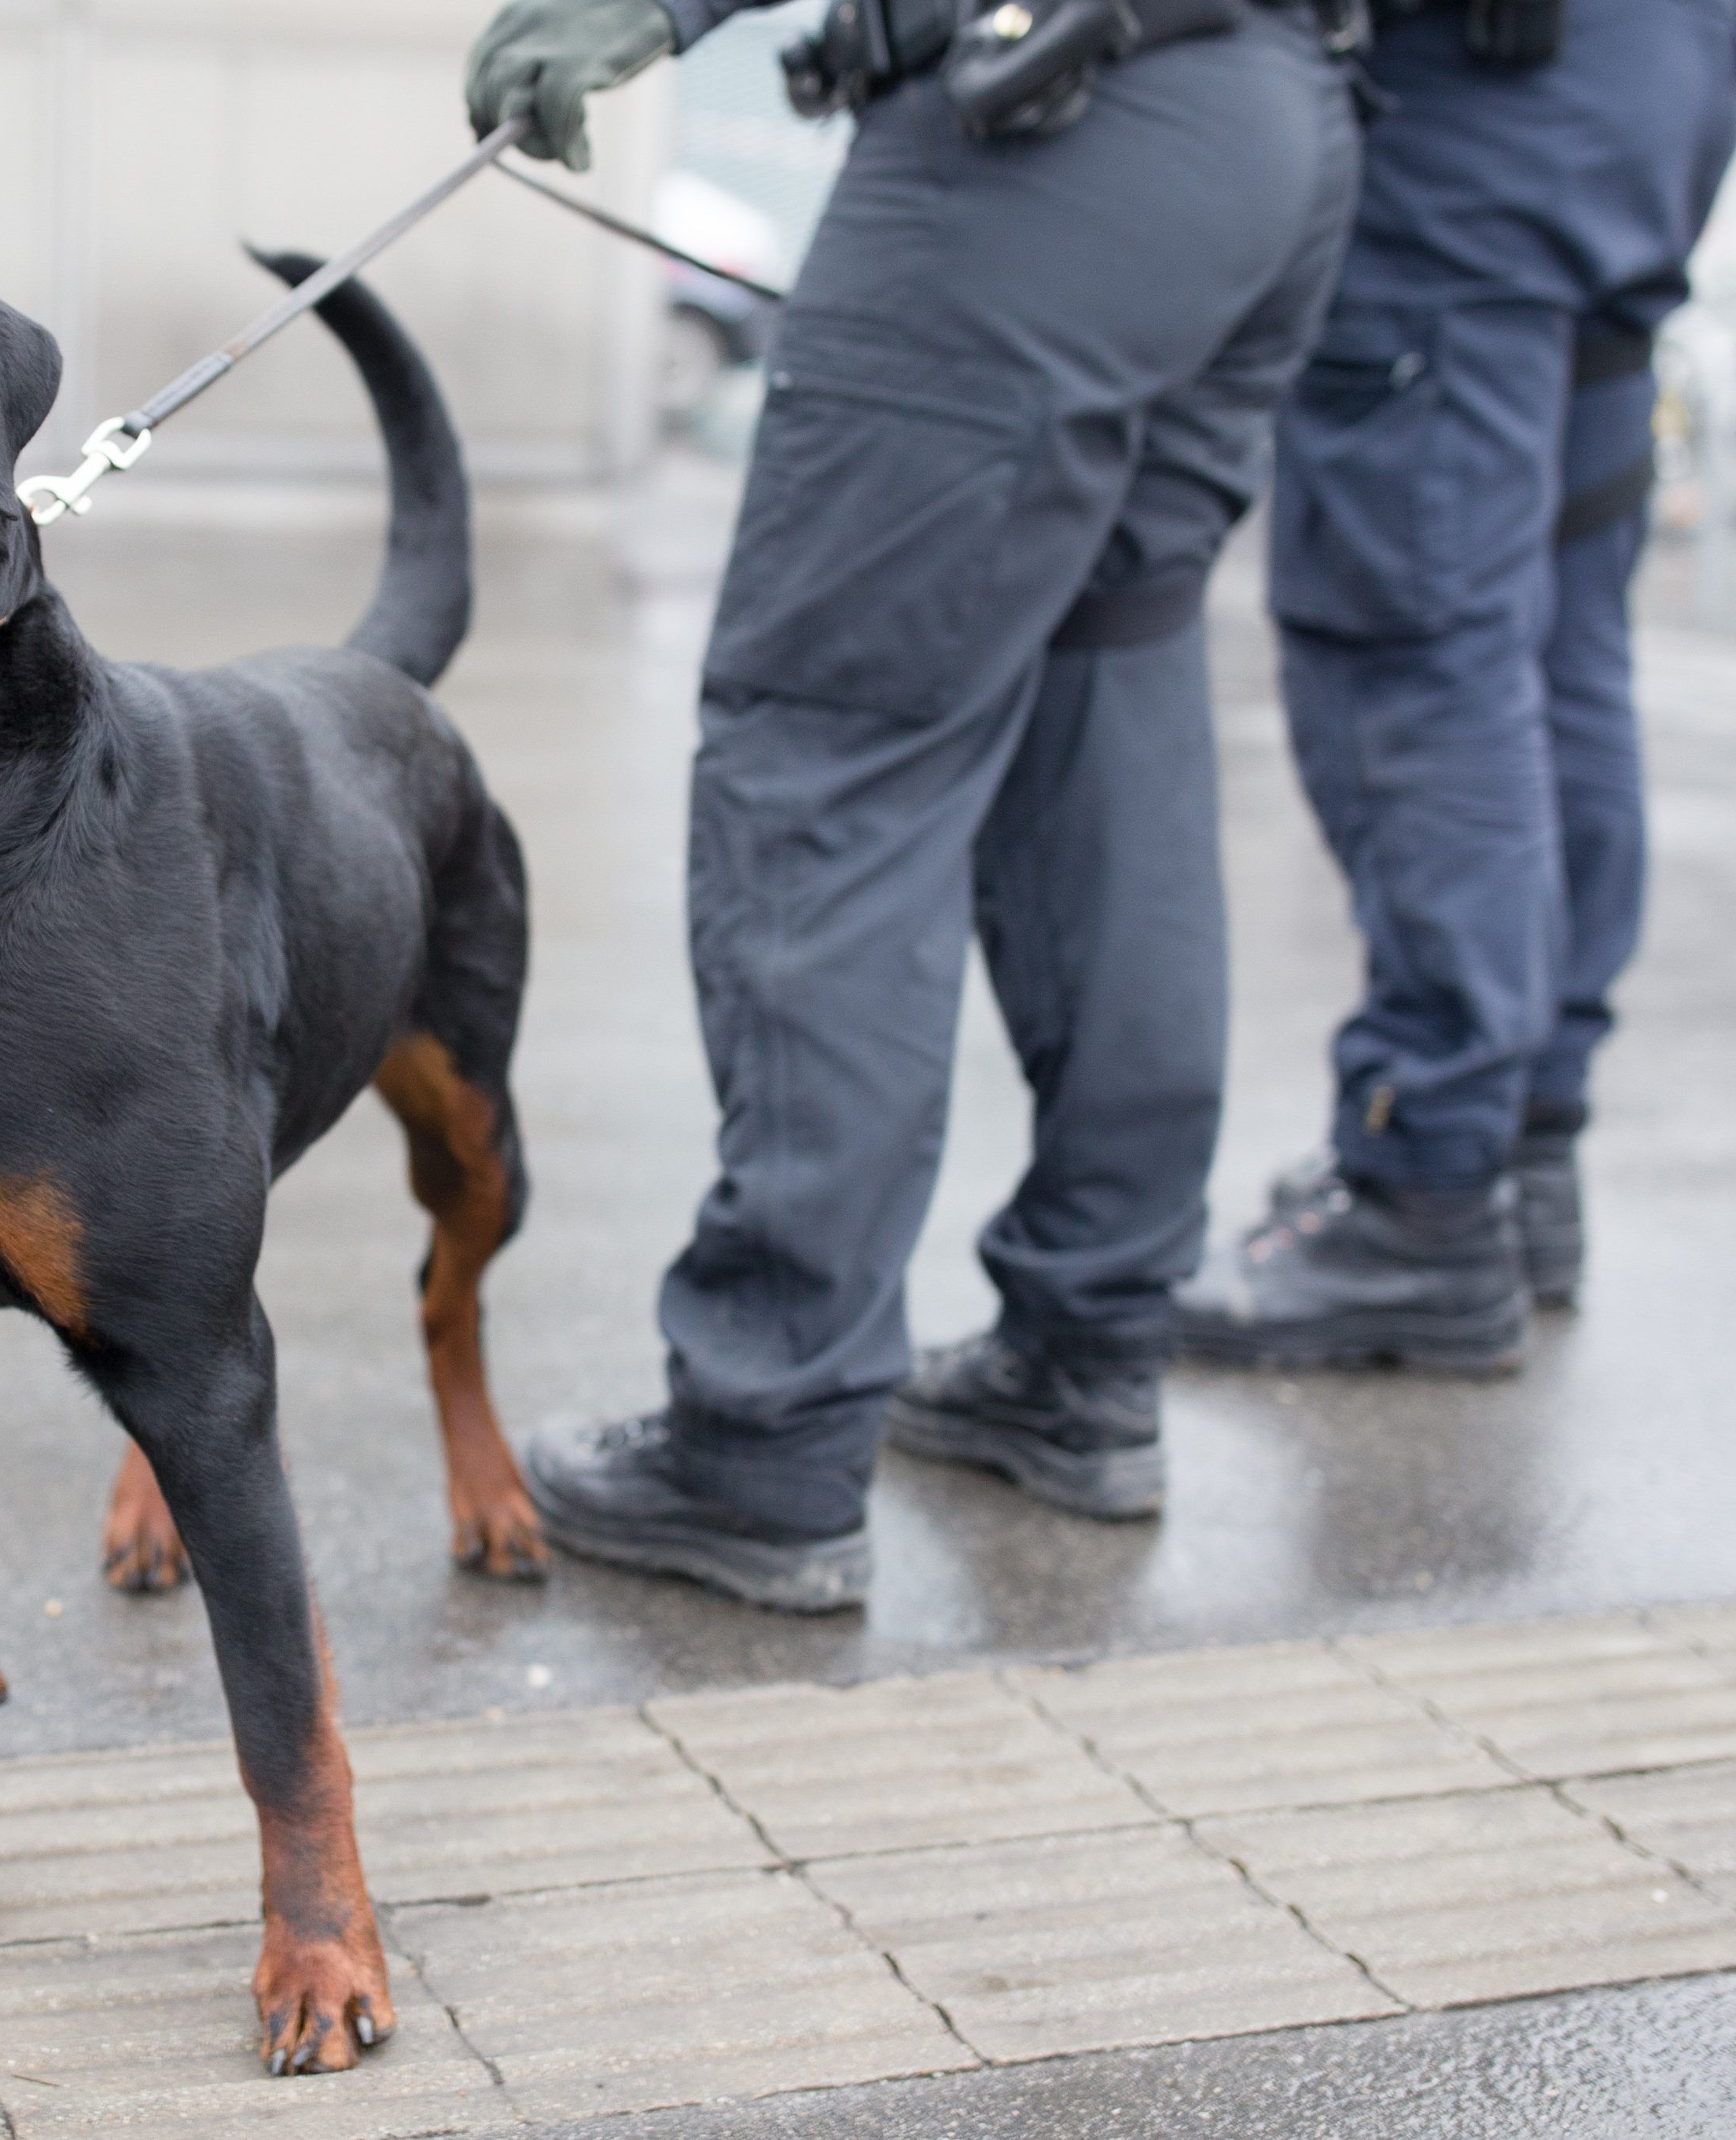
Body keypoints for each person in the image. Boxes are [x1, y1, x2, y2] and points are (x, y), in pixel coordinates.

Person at [463, 0, 1363, 1607]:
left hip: (1054, 131)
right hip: (1269, 118)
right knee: (1108, 712)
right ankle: (1084, 1354)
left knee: (828, 749)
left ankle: (769, 1428)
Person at [1179, 0, 1736, 1373]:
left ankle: (1422, 1193)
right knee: (1557, 648)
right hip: (1647, 95)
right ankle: (1521, 1158)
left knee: (1414, 649)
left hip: (1484, 110)